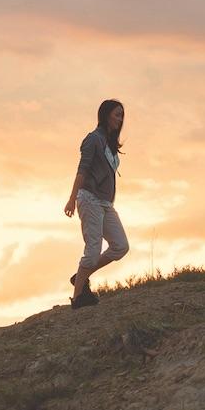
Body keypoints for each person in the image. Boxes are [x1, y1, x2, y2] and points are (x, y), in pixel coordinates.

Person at [63, 99, 130, 308]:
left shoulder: (110, 144)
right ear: (105, 115)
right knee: (92, 253)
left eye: (121, 116)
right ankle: (77, 298)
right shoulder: (93, 140)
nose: (119, 119)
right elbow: (82, 170)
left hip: (106, 204)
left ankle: (81, 276)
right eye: (116, 114)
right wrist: (72, 198)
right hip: (90, 199)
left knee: (120, 246)